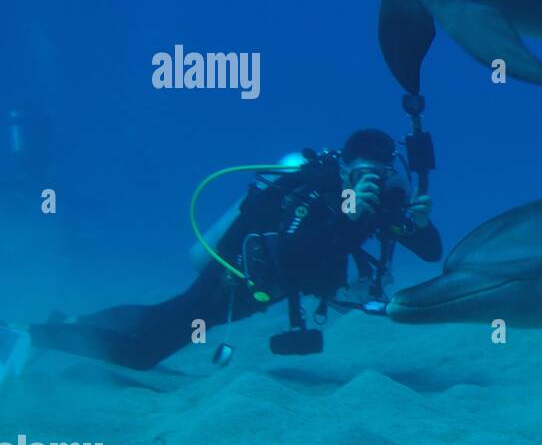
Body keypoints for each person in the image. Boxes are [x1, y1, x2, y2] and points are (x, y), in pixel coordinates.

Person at [21, 129, 443, 370]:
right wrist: (346, 219)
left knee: (161, 314)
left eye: (379, 173)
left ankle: (68, 321)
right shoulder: (319, 194)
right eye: (360, 172)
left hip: (269, 288)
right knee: (146, 349)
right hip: (235, 278)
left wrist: (419, 226)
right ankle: (30, 336)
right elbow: (292, 253)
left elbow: (430, 251)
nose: (368, 180)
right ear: (344, 167)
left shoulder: (382, 201)